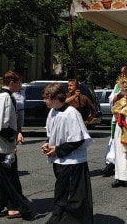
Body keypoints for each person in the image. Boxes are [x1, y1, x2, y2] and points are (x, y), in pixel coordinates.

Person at [41, 83, 93, 224]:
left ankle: (66, 220)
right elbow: (53, 133)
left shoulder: (71, 113)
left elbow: (77, 140)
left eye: (46, 98)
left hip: (72, 161)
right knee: (62, 191)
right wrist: (48, 143)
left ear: (56, 97)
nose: (44, 101)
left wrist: (57, 149)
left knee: (71, 194)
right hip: (60, 159)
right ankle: (59, 217)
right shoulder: (53, 111)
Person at [0, 70, 31, 220]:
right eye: (19, 83)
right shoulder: (4, 98)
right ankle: (17, 206)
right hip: (1, 146)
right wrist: (13, 137)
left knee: (0, 178)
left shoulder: (0, 96)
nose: (21, 86)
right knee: (8, 178)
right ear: (11, 83)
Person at [102, 66, 127, 177]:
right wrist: (120, 94)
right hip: (117, 116)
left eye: (126, 72)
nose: (124, 74)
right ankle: (111, 162)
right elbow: (112, 100)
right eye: (122, 73)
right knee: (114, 139)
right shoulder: (117, 86)